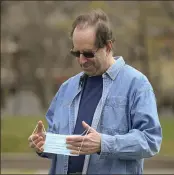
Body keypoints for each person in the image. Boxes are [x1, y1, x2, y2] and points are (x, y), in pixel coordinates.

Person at [28, 9, 162, 174]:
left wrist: (103, 144)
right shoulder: (66, 88)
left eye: (88, 53)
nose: (81, 60)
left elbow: (150, 140)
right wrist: (44, 144)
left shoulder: (137, 84)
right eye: (76, 53)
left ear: (108, 46)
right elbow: (58, 144)